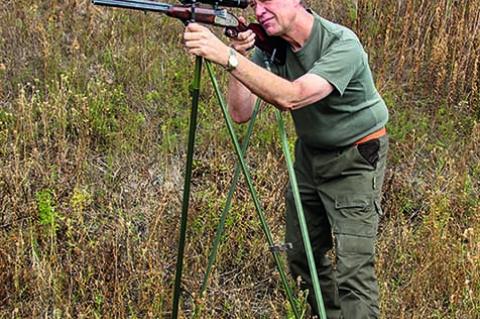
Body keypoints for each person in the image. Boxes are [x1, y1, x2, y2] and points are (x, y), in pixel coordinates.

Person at [183, 0, 389, 318]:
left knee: (354, 272)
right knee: (302, 255)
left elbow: (292, 96)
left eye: (268, 0)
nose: (260, 10)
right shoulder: (271, 43)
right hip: (310, 155)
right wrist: (237, 50)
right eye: (255, 3)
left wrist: (227, 56)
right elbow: (241, 112)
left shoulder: (341, 43)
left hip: (357, 158)